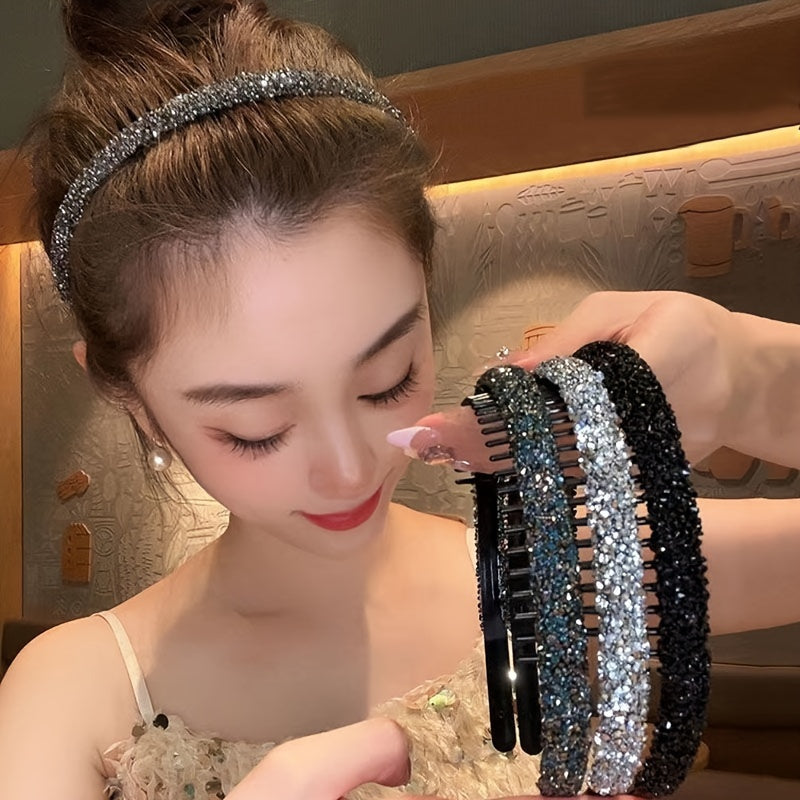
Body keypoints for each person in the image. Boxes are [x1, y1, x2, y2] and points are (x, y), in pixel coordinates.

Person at [0, 2, 797, 799]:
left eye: (386, 378)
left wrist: (755, 381)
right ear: (134, 401)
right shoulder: (71, 696)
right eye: (256, 430)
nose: (349, 470)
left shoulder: (559, 571)